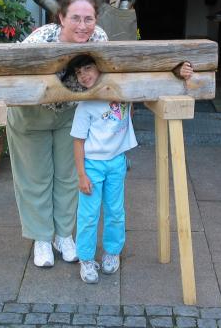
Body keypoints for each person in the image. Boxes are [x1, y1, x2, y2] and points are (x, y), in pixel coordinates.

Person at [0, 0, 109, 268]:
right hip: (31, 116)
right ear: (61, 18)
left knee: (69, 177)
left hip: (69, 115)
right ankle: (42, 238)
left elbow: (115, 71)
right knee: (35, 178)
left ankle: (63, 235)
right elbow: (9, 68)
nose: (82, 26)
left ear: (96, 19)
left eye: (88, 19)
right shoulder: (42, 39)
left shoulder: (100, 39)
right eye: (75, 18)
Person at [67, 54, 136, 283]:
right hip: (92, 166)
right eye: (79, 73)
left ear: (101, 69)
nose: (84, 75)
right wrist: (81, 175)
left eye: (88, 68)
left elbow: (129, 112)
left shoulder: (123, 93)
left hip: (116, 161)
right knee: (88, 214)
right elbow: (78, 141)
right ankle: (86, 259)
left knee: (116, 211)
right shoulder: (85, 106)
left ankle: (112, 252)